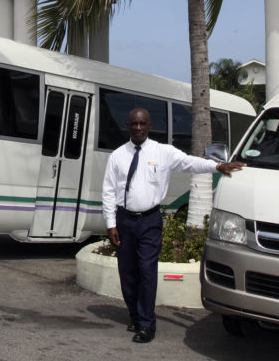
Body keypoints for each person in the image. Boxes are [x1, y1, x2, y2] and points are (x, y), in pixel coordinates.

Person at [102, 108, 244, 343]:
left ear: (149, 126)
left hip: (149, 220)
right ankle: (135, 316)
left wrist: (217, 167)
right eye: (134, 124)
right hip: (124, 221)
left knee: (147, 271)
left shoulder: (163, 152)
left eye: (143, 124)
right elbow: (108, 191)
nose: (138, 128)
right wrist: (111, 224)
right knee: (127, 274)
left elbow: (190, 163)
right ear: (128, 125)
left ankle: (147, 325)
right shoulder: (117, 155)